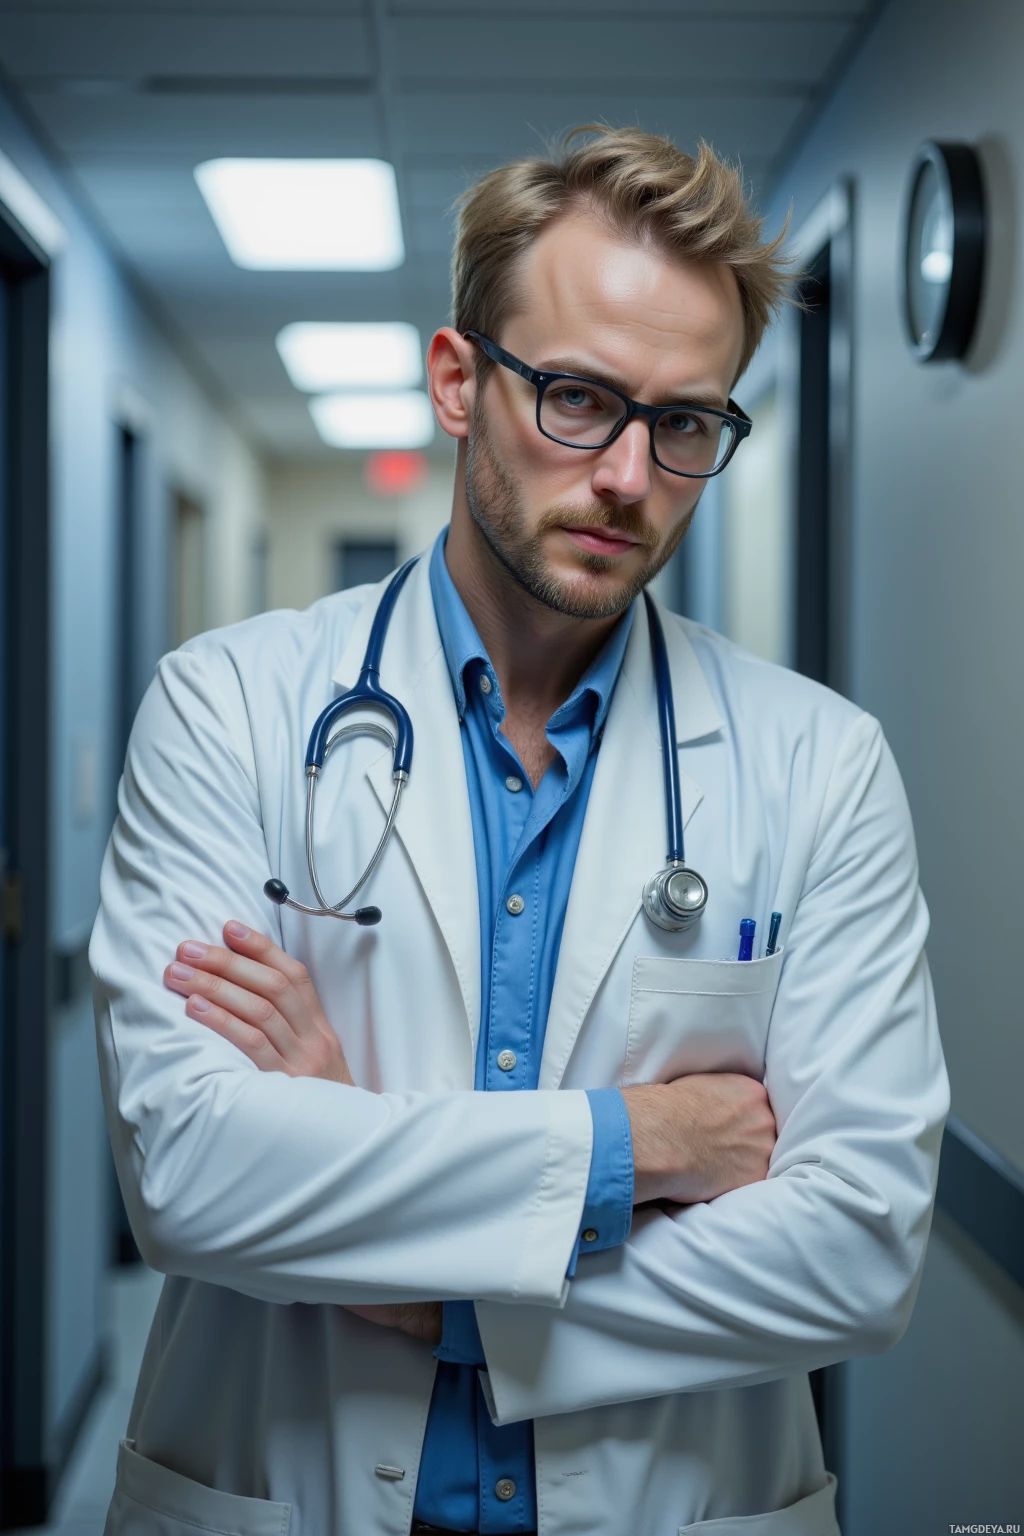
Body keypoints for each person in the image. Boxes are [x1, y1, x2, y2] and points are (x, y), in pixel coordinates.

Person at [91, 126, 949, 1536]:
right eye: (574, 398)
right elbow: (190, 1175)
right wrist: (638, 1148)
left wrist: (421, 1282)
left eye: (684, 423)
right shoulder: (229, 707)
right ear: (456, 382)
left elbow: (858, 1251)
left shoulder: (823, 766)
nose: (627, 475)